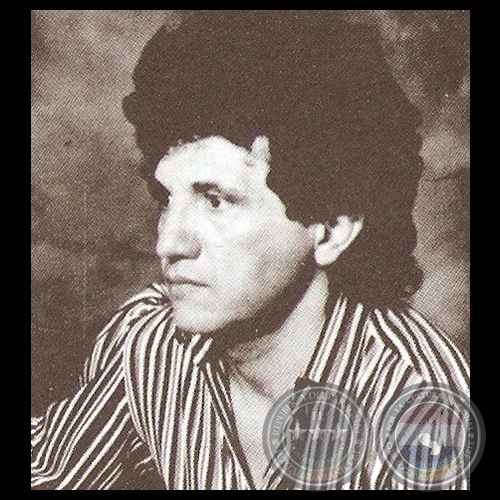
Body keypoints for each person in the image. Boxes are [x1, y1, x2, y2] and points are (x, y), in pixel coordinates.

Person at [31, 11, 469, 490]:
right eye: (166, 200)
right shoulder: (150, 343)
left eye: (216, 201)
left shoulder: (421, 408)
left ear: (330, 230)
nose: (168, 243)